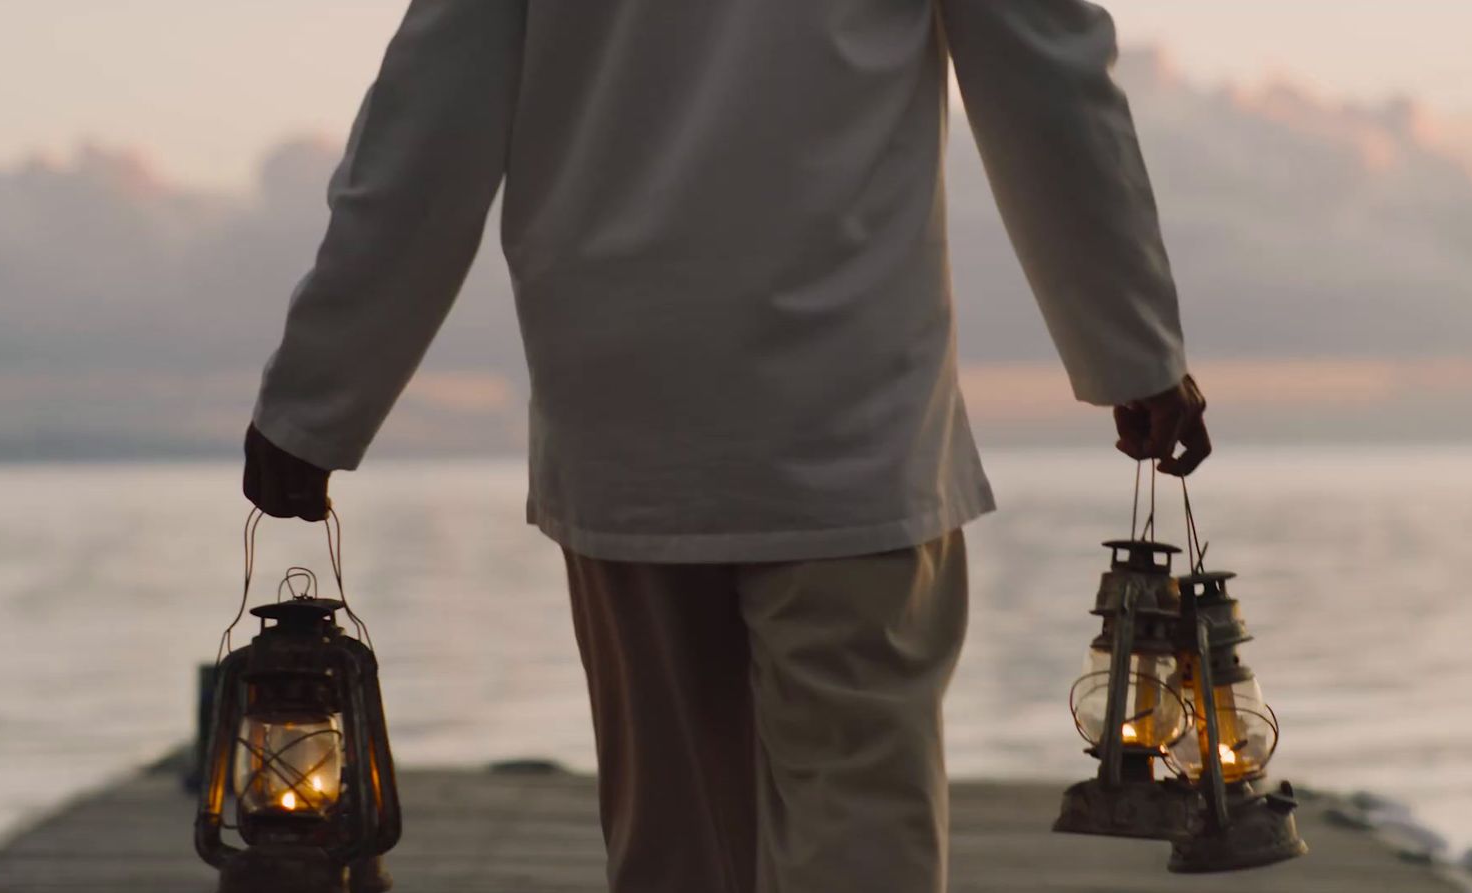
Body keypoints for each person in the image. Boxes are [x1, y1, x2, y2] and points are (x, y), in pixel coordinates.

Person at [242, 1, 1211, 890]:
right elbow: (1045, 70)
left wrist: (317, 403)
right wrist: (1134, 350)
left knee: (676, 843)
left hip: (626, 410)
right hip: (846, 411)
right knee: (858, 824)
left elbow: (429, 117)